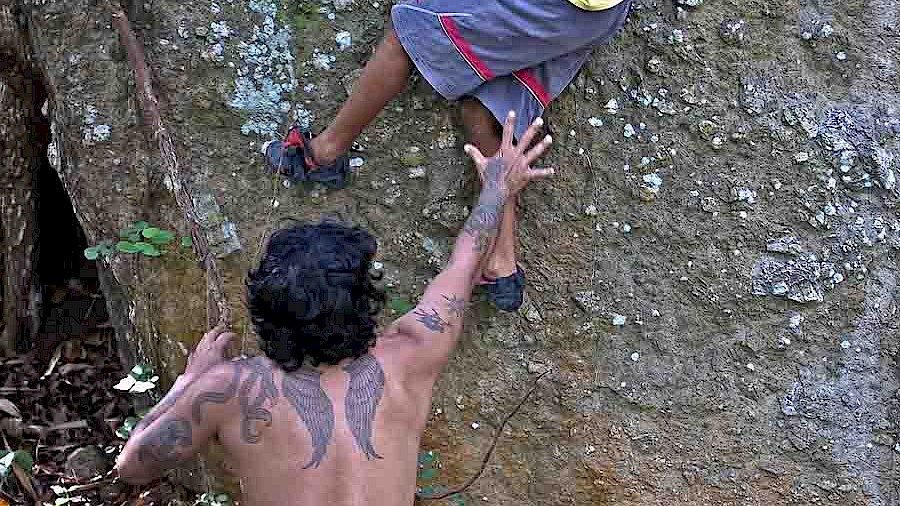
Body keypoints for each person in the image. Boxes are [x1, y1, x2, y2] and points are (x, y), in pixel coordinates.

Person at [115, 113, 554, 505]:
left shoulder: (228, 390)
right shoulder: (413, 353)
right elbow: (467, 259)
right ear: (367, 303)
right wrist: (499, 187)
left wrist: (188, 382)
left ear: (265, 311)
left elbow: (132, 467)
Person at [263, 0, 631, 311]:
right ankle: (502, 262)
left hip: (556, 7)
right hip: (593, 15)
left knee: (410, 31)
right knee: (487, 110)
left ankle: (322, 154)